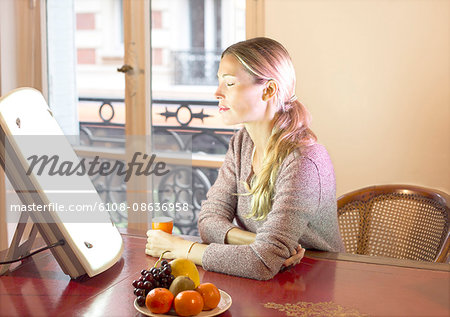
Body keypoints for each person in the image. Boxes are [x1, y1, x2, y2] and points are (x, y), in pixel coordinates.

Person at [146, 37, 345, 280]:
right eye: (219, 81)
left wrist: (180, 249)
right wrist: (261, 244)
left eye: (229, 83)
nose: (217, 92)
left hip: (310, 281)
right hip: (269, 279)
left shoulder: (305, 161)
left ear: (269, 89)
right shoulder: (242, 143)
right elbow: (208, 221)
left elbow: (261, 263)